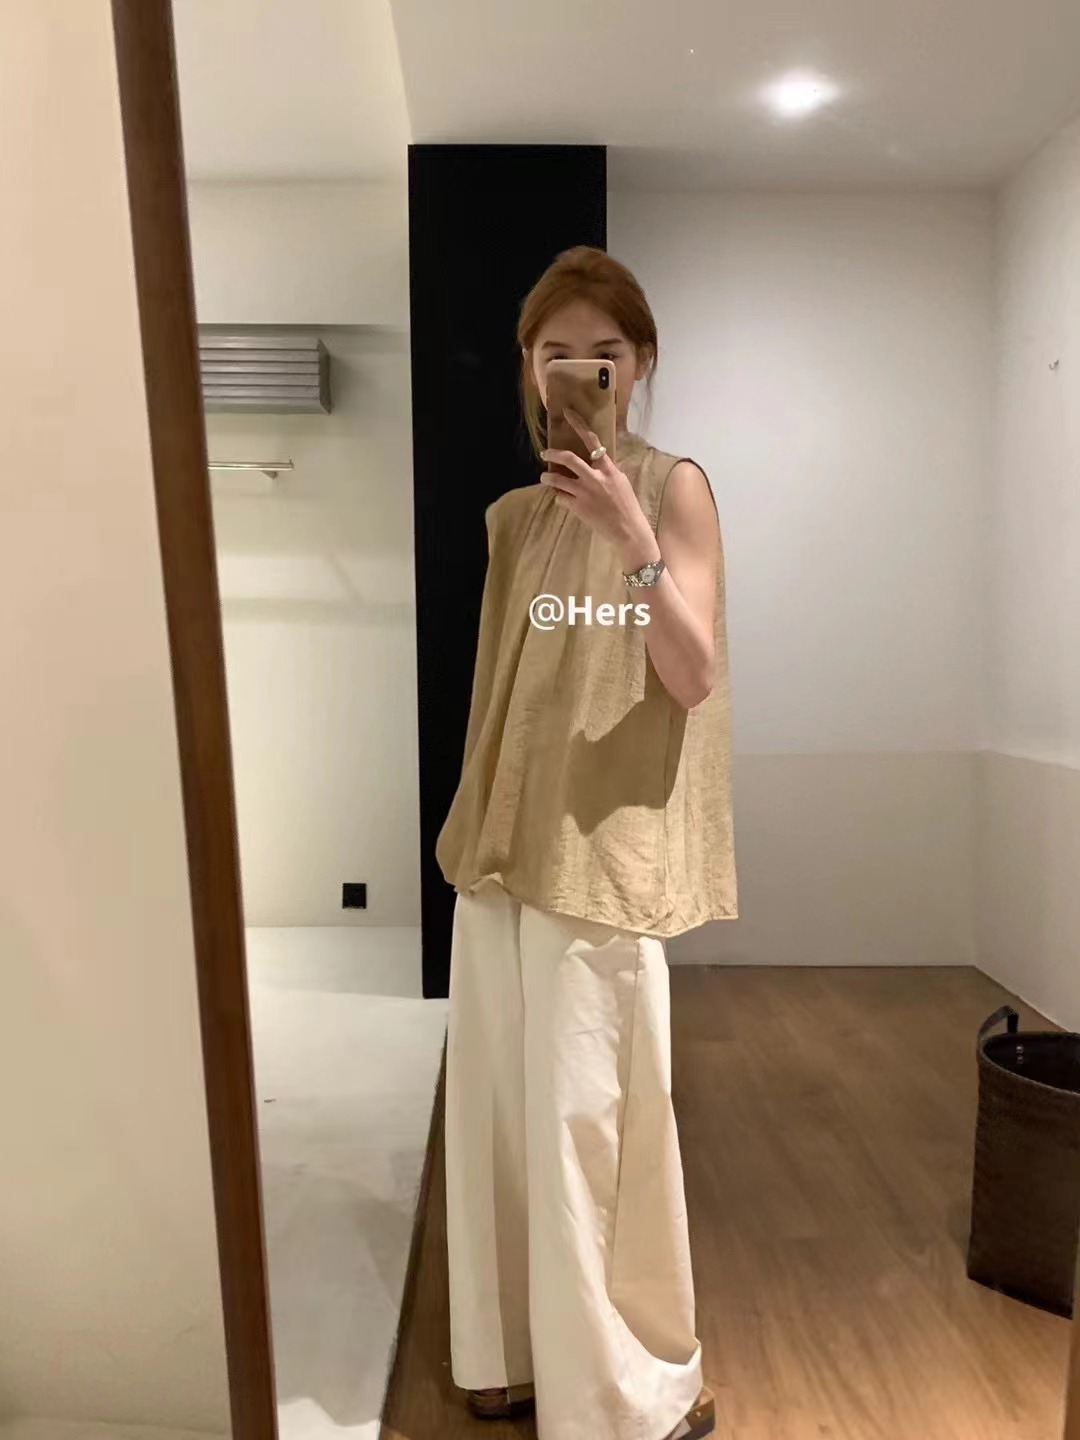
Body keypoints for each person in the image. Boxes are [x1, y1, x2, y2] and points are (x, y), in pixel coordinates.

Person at [435, 245, 738, 1440]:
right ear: (529, 370)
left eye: (603, 356)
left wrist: (631, 536)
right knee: (504, 1122)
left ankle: (619, 1394)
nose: (579, 374)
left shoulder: (675, 488)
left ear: (641, 363)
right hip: (500, 852)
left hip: (601, 859)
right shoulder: (513, 520)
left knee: (595, 1133)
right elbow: (504, 698)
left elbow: (694, 676)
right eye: (556, 356)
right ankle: (505, 1354)